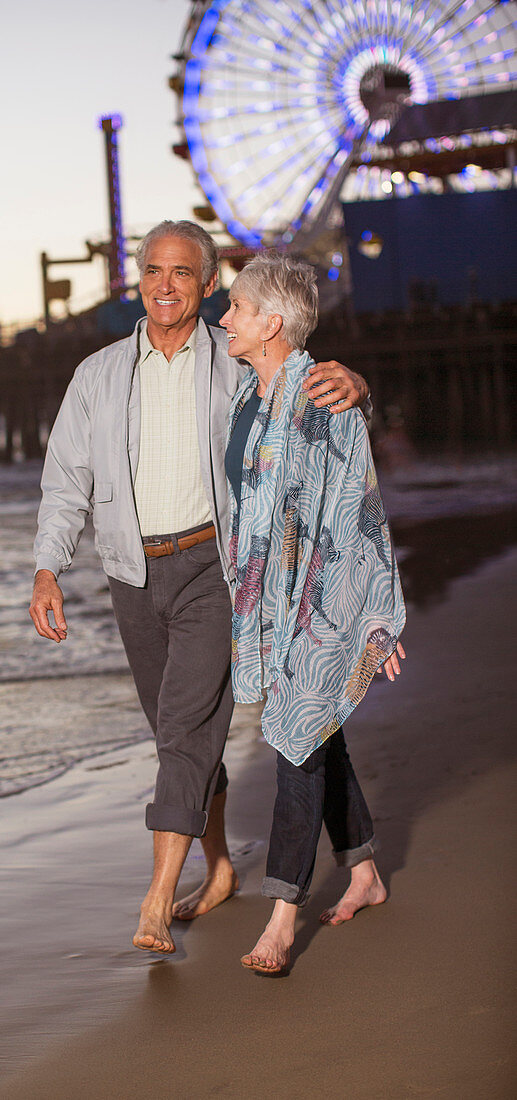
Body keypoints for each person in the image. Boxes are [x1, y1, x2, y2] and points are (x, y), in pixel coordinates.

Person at [29, 220, 370, 955]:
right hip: (132, 575)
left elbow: (301, 391)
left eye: (181, 273)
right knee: (176, 736)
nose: (163, 284)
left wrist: (359, 386)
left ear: (207, 283)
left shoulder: (233, 359)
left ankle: (154, 901)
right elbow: (67, 483)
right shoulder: (96, 376)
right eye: (152, 270)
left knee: (183, 734)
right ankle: (221, 869)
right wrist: (48, 566)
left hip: (216, 573)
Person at [219, 253, 406, 975]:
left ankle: (281, 918)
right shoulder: (246, 396)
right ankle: (361, 869)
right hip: (263, 596)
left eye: (236, 308)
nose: (224, 317)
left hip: (320, 600)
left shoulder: (326, 399)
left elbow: (360, 512)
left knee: (296, 736)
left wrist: (372, 619)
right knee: (315, 732)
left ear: (271, 324)